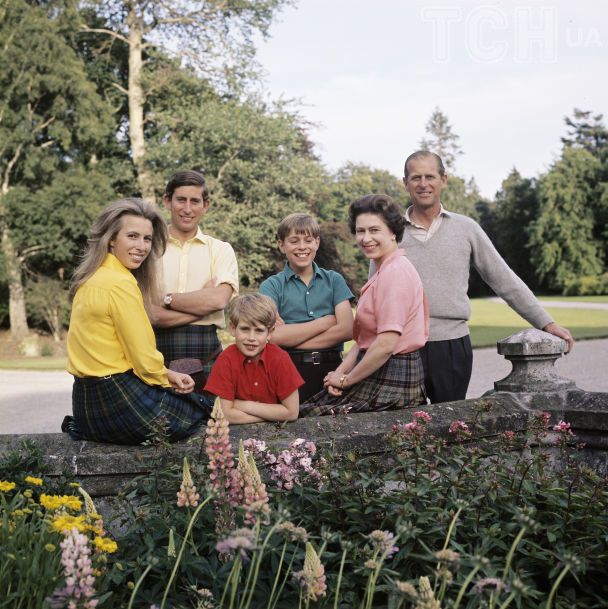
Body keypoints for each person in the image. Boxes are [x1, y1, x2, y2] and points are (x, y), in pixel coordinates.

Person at [383, 149, 574, 404]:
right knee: (403, 431)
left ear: (444, 179)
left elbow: (503, 279)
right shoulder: (390, 233)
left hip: (451, 345)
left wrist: (547, 324)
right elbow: (377, 292)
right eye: (416, 177)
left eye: (430, 176)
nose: (423, 184)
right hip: (402, 346)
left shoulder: (466, 228)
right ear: (405, 183)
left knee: (449, 427)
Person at [63, 198, 212, 444]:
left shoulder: (90, 279)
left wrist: (166, 376)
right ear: (111, 239)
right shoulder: (120, 283)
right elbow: (144, 360)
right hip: (117, 400)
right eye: (132, 236)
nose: (142, 246)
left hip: (85, 405)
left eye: (147, 238)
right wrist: (167, 376)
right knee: (202, 412)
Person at [300, 194, 428, 416]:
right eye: (361, 231)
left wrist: (346, 380)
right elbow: (364, 341)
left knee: (308, 418)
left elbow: (386, 344)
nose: (366, 238)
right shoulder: (383, 270)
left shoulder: (395, 273)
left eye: (374, 230)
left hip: (393, 376)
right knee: (305, 414)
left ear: (393, 232)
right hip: (375, 368)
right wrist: (338, 374)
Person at [150, 170, 238, 380]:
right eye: (181, 200)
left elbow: (219, 299)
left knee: (209, 413)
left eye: (195, 201)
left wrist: (165, 299)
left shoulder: (221, 249)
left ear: (205, 205)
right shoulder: (149, 248)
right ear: (167, 201)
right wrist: (202, 308)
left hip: (206, 351)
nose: (187, 209)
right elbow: (149, 314)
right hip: (154, 350)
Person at [259, 213, 354, 402]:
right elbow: (273, 336)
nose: (302, 247)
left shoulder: (334, 280)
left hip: (332, 370)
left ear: (317, 243)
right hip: (288, 370)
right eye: (294, 241)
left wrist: (291, 340)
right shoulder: (271, 286)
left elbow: (347, 329)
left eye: (308, 240)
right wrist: (325, 322)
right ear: (281, 245)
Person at [204, 294, 304, 424]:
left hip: (277, 433)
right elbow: (225, 414)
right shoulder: (226, 360)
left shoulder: (280, 359)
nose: (251, 337)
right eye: (245, 329)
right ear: (233, 329)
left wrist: (243, 405)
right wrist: (271, 417)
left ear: (270, 333)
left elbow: (291, 412)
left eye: (259, 331)